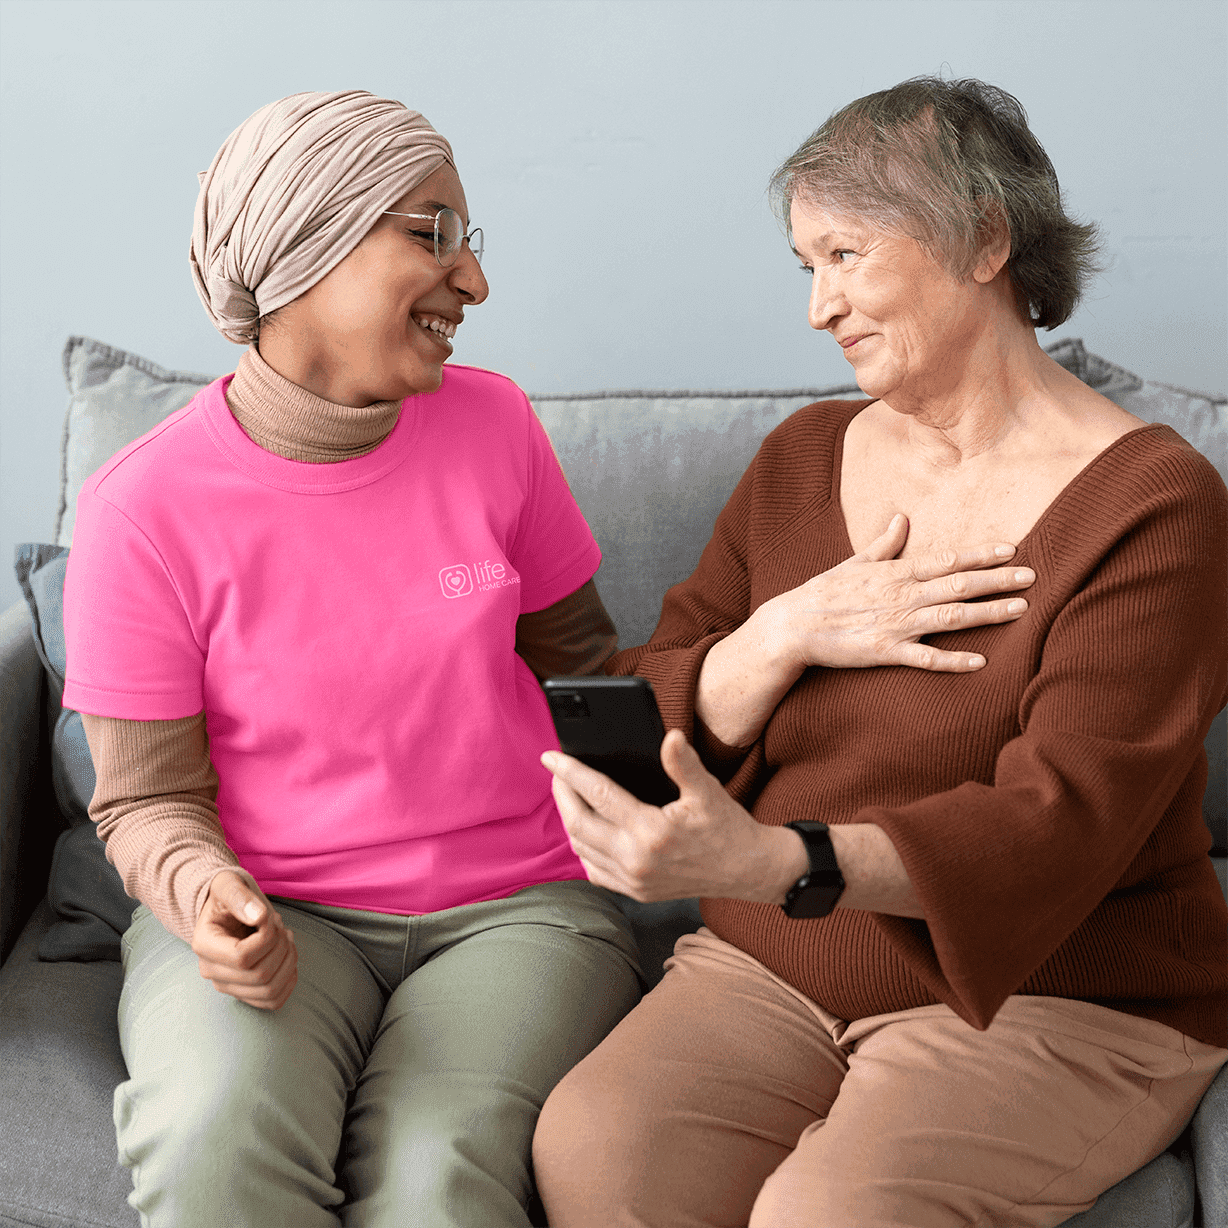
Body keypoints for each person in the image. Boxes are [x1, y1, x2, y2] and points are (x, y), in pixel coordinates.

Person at [533, 76, 1228, 1228]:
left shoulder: (1153, 503)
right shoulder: (803, 456)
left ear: (986, 240)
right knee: (593, 1148)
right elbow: (654, 682)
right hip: (772, 970)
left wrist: (771, 861)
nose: (818, 307)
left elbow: (1059, 824)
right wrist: (780, 633)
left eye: (846, 254)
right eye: (806, 265)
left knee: (829, 1213)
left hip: (1052, 992)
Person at [62, 90, 649, 1228]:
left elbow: (593, 679)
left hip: (517, 910)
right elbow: (145, 802)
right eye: (431, 237)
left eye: (469, 244)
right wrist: (205, 892)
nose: (472, 284)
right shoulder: (142, 510)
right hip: (273, 904)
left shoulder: (497, 430)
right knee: (210, 1144)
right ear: (306, 251)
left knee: (438, 1179)